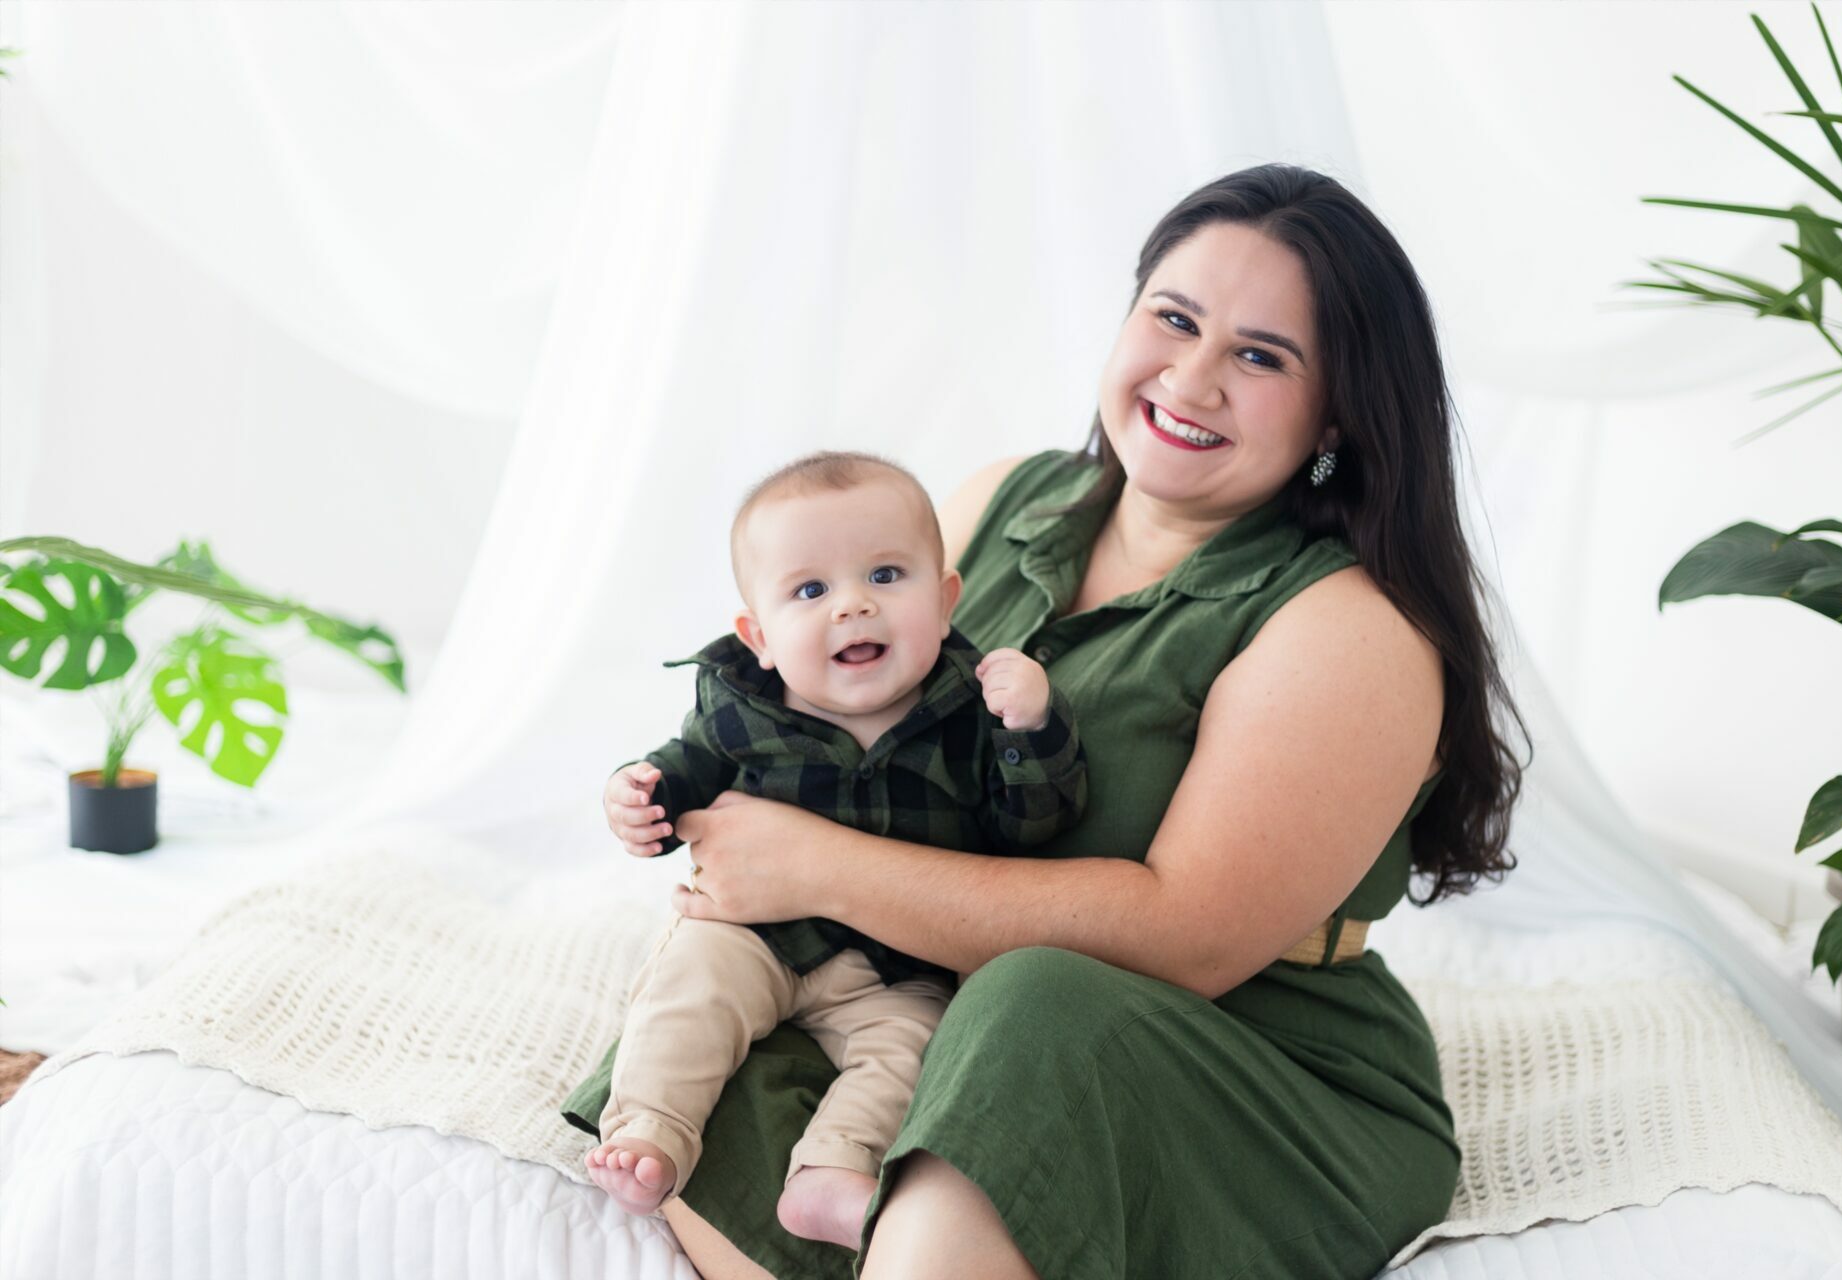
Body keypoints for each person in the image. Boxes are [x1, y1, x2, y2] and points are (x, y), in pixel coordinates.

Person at [607, 162, 1529, 1280]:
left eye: (1260, 356)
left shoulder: (1348, 629)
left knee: (1031, 998)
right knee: (695, 1034)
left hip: (1250, 1063)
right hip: (932, 1010)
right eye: (1173, 319)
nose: (1191, 378)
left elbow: (1190, 936)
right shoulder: (1002, 499)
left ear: (1337, 411)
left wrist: (815, 867)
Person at [575, 451, 1090, 1249]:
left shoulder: (971, 711)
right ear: (760, 636)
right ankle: (650, 1129)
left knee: (914, 1050)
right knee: (688, 987)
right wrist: (640, 798)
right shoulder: (738, 706)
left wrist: (1033, 727)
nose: (853, 605)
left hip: (896, 963)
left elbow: (1030, 826)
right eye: (811, 591)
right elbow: (682, 774)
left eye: (885, 575)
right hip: (755, 933)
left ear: (944, 602)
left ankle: (832, 1172)